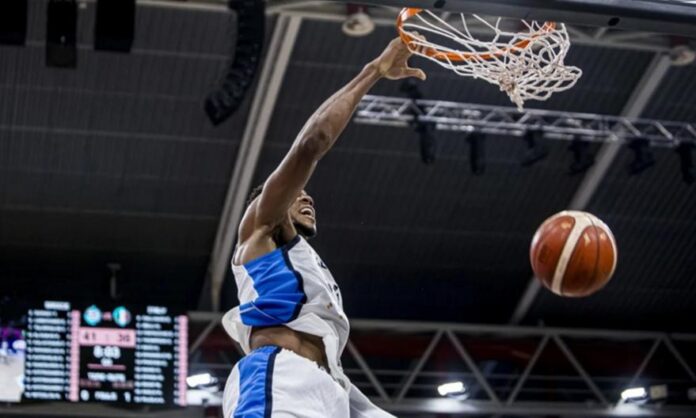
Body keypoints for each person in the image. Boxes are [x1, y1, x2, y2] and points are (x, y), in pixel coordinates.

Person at [222, 36, 426, 418]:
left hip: (326, 389)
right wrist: (375, 71)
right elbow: (312, 143)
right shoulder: (258, 231)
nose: (308, 198)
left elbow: (333, 377)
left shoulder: (306, 266)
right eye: (298, 193)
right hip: (280, 380)